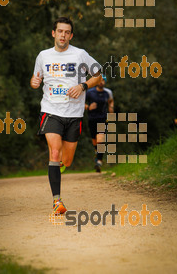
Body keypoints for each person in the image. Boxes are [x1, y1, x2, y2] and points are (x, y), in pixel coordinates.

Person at [30, 17, 102, 214]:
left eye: (66, 32)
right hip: (51, 111)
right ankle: (57, 201)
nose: (62, 35)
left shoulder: (80, 54)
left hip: (74, 114)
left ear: (71, 35)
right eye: (59, 31)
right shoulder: (43, 56)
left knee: (67, 160)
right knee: (54, 152)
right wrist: (34, 83)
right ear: (53, 33)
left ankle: (60, 165)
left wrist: (83, 85)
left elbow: (98, 75)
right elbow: (35, 79)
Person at [85, 77, 114, 172]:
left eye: (103, 81)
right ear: (97, 82)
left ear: (105, 82)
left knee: (100, 139)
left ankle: (99, 162)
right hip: (92, 119)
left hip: (102, 118)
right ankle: (97, 154)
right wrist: (88, 107)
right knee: (95, 141)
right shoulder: (89, 92)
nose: (102, 82)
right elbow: (81, 103)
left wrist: (111, 108)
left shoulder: (108, 92)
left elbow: (111, 101)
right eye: (100, 80)